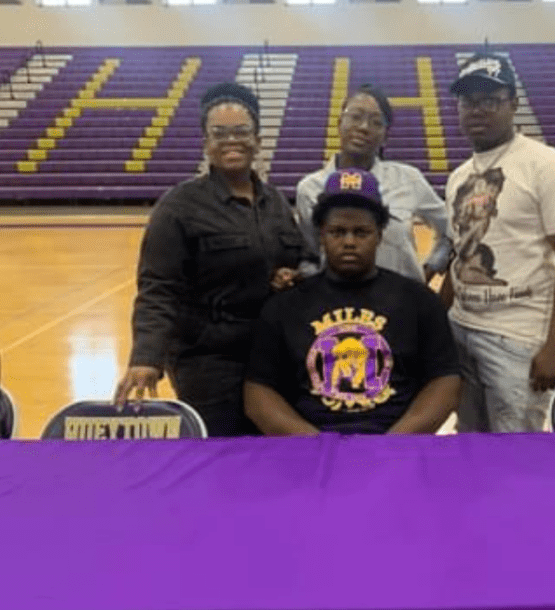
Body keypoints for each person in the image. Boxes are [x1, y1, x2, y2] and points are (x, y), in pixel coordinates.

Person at [114, 81, 315, 436]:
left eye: (241, 132)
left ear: (257, 140)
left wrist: (292, 275)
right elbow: (158, 288)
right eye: (219, 133)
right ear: (206, 144)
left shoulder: (276, 203)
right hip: (208, 361)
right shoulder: (179, 207)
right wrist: (146, 357)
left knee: (273, 449)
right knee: (223, 450)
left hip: (269, 354)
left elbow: (301, 259)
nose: (231, 140)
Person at [244, 169, 461, 435]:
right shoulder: (284, 306)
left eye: (361, 232)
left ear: (379, 235)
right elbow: (258, 393)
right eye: (337, 232)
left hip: (397, 442)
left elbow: (445, 381)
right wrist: (315, 443)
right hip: (310, 444)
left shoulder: (419, 301)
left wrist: (395, 442)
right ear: (321, 235)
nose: (349, 242)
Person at [444, 52, 555, 433]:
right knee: (470, 441)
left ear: (513, 103)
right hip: (462, 330)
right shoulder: (458, 178)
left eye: (490, 100)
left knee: (516, 449)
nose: (478, 110)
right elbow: (459, 256)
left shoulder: (547, 165)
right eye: (468, 101)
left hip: (517, 339)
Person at [296, 83, 450, 282]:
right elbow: (310, 257)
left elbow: (451, 229)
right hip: (340, 299)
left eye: (376, 122)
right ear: (339, 124)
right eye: (355, 117)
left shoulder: (408, 178)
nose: (363, 127)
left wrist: (429, 269)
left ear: (385, 136)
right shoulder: (309, 188)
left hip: (399, 298)